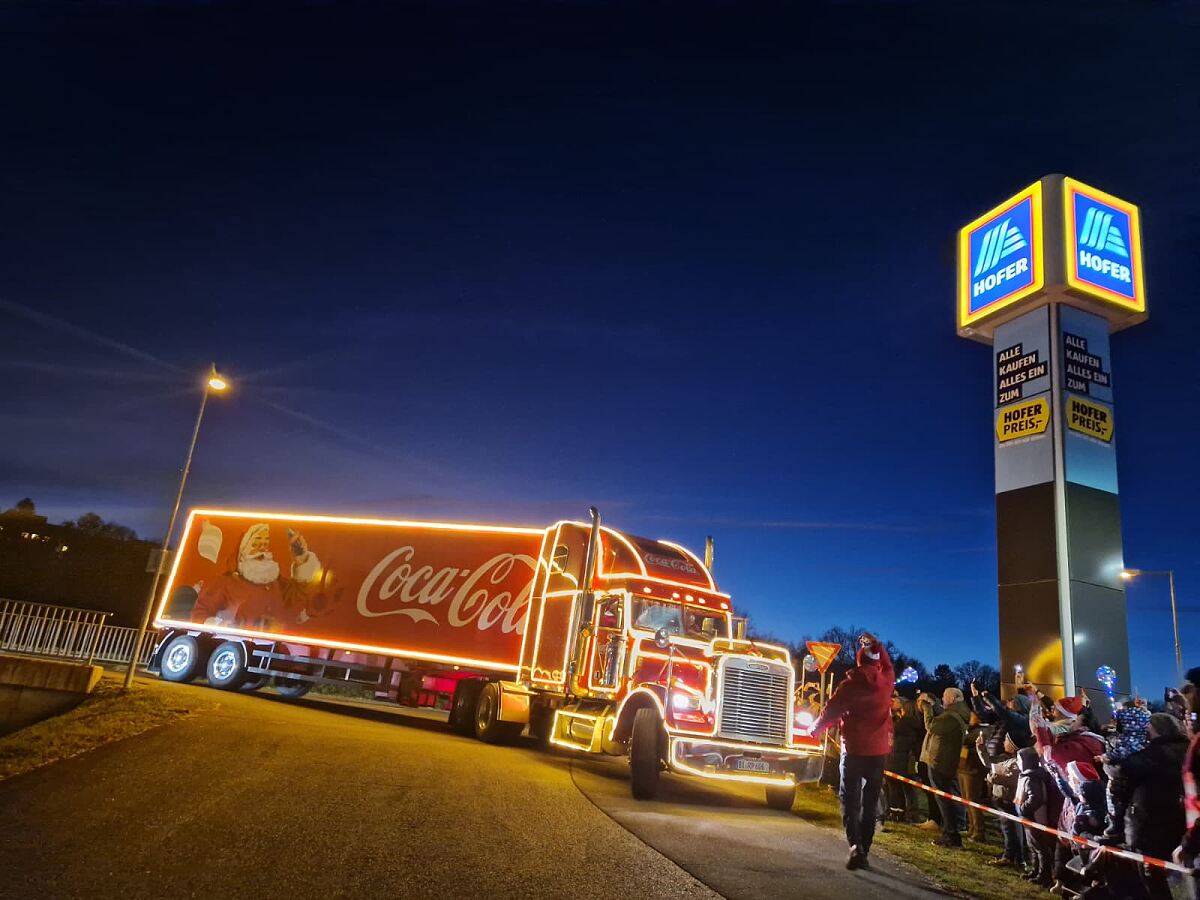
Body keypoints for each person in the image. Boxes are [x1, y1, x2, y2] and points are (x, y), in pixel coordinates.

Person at [811, 632, 895, 871]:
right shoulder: (886, 683)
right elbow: (887, 663)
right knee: (870, 803)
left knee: (849, 799)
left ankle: (855, 845)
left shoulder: (849, 685)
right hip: (878, 751)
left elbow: (831, 710)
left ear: (858, 661)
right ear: (876, 661)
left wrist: (815, 729)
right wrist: (876, 643)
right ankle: (865, 849)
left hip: (854, 749)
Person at [1109, 712, 1190, 900]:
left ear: (1152, 730)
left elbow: (1121, 789)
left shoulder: (1143, 759)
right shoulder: (1190, 751)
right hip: (1187, 829)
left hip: (1150, 832)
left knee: (1155, 885)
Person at [918, 686, 971, 848]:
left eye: (944, 696)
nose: (942, 699)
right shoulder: (953, 715)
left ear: (953, 699)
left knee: (944, 800)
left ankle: (951, 834)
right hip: (941, 760)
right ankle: (950, 832)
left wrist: (927, 706)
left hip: (940, 761)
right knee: (943, 799)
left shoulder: (952, 717)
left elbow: (932, 726)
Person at [1015, 745, 1062, 888]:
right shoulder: (1026, 775)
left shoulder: (1032, 777)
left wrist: (1024, 809)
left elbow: (1036, 798)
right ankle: (1035, 870)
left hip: (1035, 817)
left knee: (1040, 846)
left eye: (1019, 760)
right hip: (1027, 816)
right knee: (1032, 845)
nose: (1017, 762)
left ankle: (1044, 874)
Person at [978, 732, 1026, 868]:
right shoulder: (1006, 758)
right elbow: (990, 763)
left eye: (1006, 740)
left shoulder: (1018, 762)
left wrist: (993, 778)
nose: (1003, 742)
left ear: (1013, 745)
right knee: (1008, 829)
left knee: (1010, 830)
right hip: (1001, 799)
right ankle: (1012, 856)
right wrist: (981, 749)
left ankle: (1012, 857)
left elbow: (1013, 780)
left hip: (1008, 800)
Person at [886, 695, 923, 823]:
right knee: (904, 788)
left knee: (895, 787)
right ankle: (903, 812)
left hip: (897, 759)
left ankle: (896, 812)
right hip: (905, 759)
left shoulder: (903, 724)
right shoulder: (914, 724)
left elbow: (890, 731)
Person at [959, 708, 989, 842]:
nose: (970, 716)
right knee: (966, 799)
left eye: (973, 715)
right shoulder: (973, 729)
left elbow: (964, 740)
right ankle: (972, 827)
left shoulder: (981, 731)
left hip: (972, 769)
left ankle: (979, 831)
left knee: (972, 800)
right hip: (964, 767)